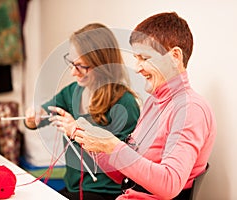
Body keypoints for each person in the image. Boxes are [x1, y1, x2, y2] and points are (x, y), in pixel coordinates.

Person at [72, 12, 217, 199]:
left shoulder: (190, 109)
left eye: (145, 58)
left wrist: (113, 147)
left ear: (174, 56)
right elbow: (125, 176)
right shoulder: (153, 103)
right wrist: (97, 147)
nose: (138, 67)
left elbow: (169, 184)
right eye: (137, 58)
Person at [24, 23, 140, 200]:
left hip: (105, 193)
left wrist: (77, 130)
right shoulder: (72, 92)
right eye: (71, 63)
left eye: (81, 66)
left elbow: (124, 161)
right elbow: (41, 117)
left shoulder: (125, 103)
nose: (72, 72)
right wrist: (33, 117)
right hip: (73, 187)